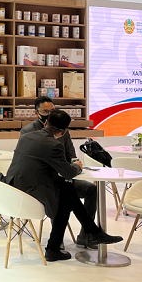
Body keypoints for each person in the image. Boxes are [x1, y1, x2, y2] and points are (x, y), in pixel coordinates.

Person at [6, 109, 123, 261]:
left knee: (67, 191)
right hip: (32, 192)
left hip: (15, 187)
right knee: (66, 196)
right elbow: (68, 173)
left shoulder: (26, 137)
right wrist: (78, 166)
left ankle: (76, 238)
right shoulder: (53, 145)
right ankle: (87, 233)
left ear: (46, 122)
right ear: (64, 131)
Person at [20, 96, 98, 249]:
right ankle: (57, 241)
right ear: (36, 113)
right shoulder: (28, 132)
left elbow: (71, 155)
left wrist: (74, 165)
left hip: (64, 176)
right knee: (59, 193)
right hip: (42, 183)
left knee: (90, 189)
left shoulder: (63, 129)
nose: (49, 114)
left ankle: (86, 235)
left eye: (52, 111)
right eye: (45, 112)